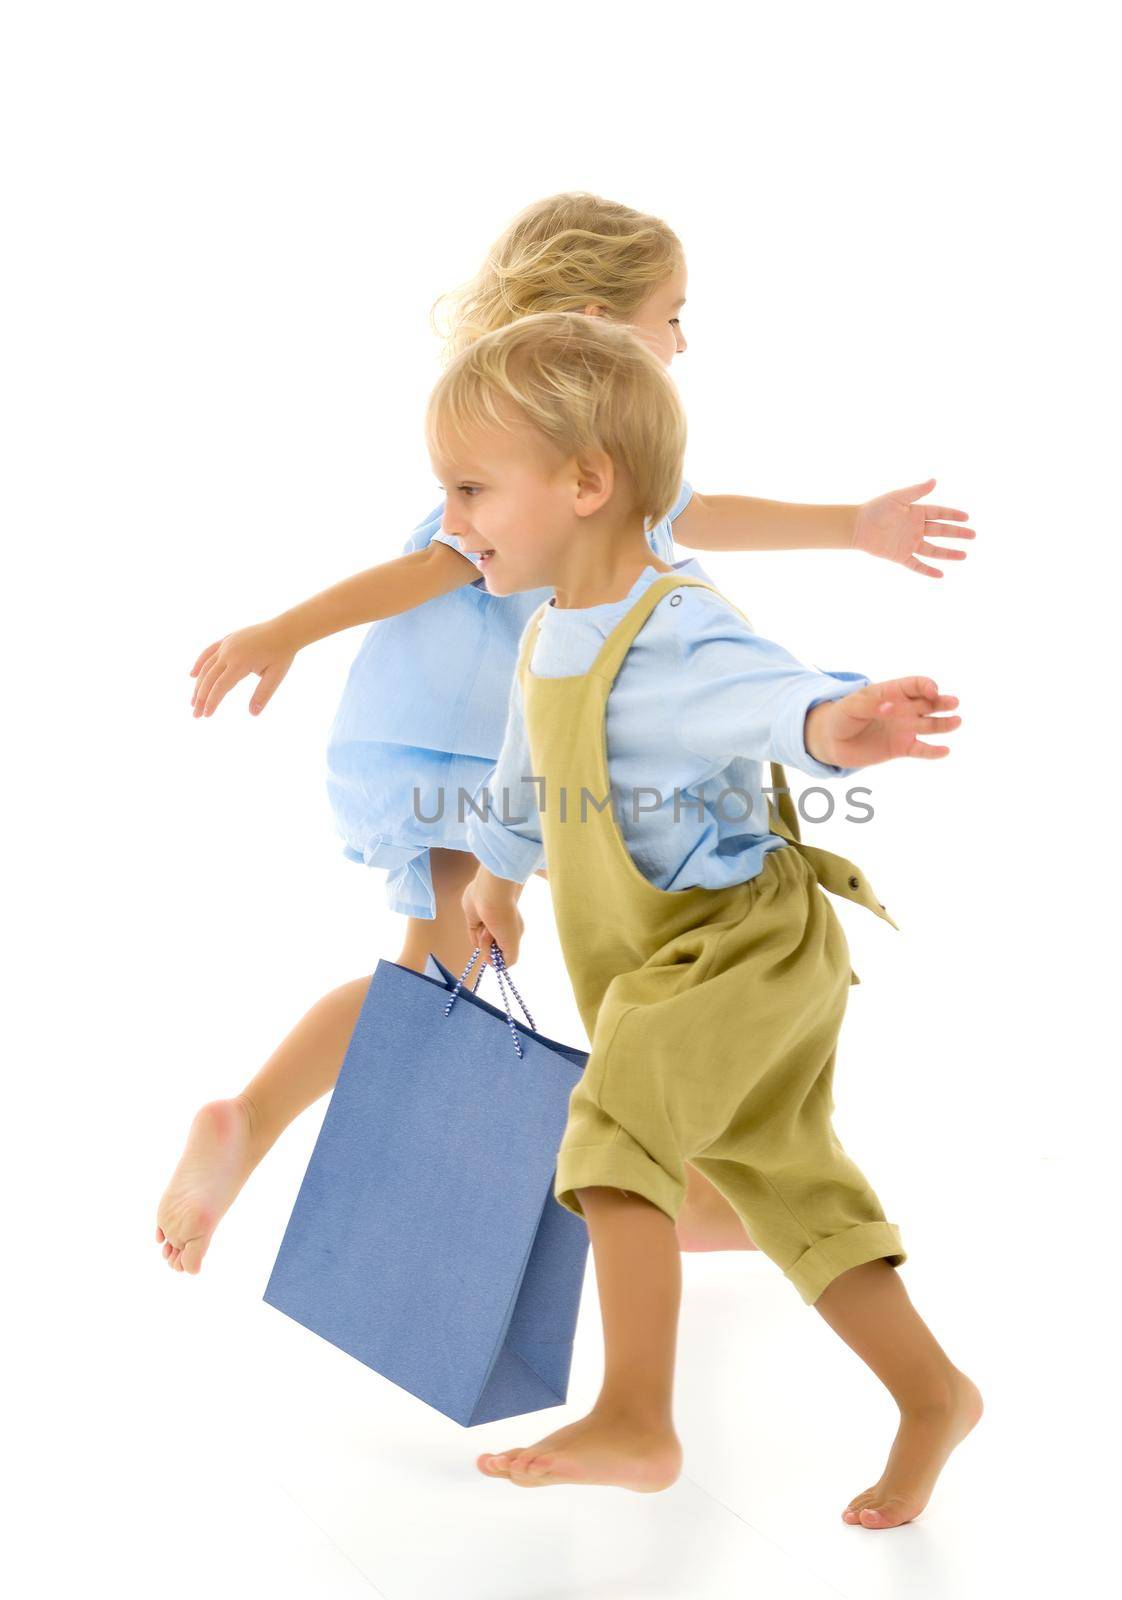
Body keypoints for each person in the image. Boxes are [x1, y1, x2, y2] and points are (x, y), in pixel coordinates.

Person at [156, 192, 973, 1275]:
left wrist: (850, 527)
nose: (681, 342)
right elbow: (421, 568)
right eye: (670, 314)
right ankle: (257, 1120)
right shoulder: (530, 461)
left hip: (505, 746)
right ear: (595, 322)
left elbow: (696, 510)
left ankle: (668, 1182)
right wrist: (285, 630)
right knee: (469, 974)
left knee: (546, 965)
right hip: (460, 746)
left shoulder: (593, 466)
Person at [438, 311, 981, 1529]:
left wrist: (839, 725)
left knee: (616, 1112)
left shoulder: (674, 625)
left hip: (740, 949)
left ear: (586, 482)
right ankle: (932, 1390)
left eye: (471, 487)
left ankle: (637, 1410)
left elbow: (775, 692)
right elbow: (530, 779)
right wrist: (497, 879)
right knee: (787, 1183)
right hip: (666, 955)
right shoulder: (548, 636)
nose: (449, 520)